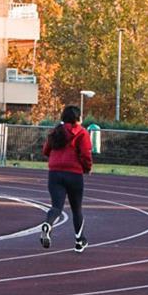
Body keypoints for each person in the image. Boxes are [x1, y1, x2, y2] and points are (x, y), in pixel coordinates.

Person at [40, 105, 93, 252]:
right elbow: (85, 154)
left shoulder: (56, 131)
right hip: (74, 173)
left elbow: (45, 150)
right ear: (78, 118)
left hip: (55, 173)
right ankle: (79, 240)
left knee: (56, 206)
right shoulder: (81, 133)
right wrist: (87, 168)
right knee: (76, 209)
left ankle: (48, 224)